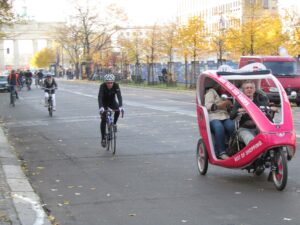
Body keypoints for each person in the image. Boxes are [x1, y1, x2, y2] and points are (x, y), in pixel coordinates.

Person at [230, 80, 277, 146]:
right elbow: (231, 116)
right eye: (247, 88)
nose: (249, 89)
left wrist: (269, 108)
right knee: (252, 142)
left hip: (261, 127)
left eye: (251, 88)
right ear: (243, 90)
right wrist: (238, 111)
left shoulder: (260, 99)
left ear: (254, 90)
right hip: (245, 128)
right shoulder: (239, 101)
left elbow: (265, 106)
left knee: (271, 138)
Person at [205, 83, 235, 160]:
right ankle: (221, 152)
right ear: (218, 84)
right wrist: (221, 105)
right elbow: (207, 106)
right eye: (223, 85)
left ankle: (233, 148)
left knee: (232, 126)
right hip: (213, 116)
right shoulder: (211, 92)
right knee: (219, 127)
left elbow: (230, 109)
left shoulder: (229, 93)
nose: (224, 87)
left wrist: (230, 106)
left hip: (225, 116)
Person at [98, 74, 124, 147]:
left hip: (112, 101)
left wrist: (121, 106)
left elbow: (119, 96)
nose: (110, 84)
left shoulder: (116, 85)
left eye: (111, 82)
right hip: (104, 103)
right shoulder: (102, 86)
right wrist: (101, 107)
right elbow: (100, 97)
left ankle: (114, 124)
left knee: (118, 110)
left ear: (113, 82)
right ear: (105, 82)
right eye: (108, 83)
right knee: (103, 119)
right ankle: (103, 138)